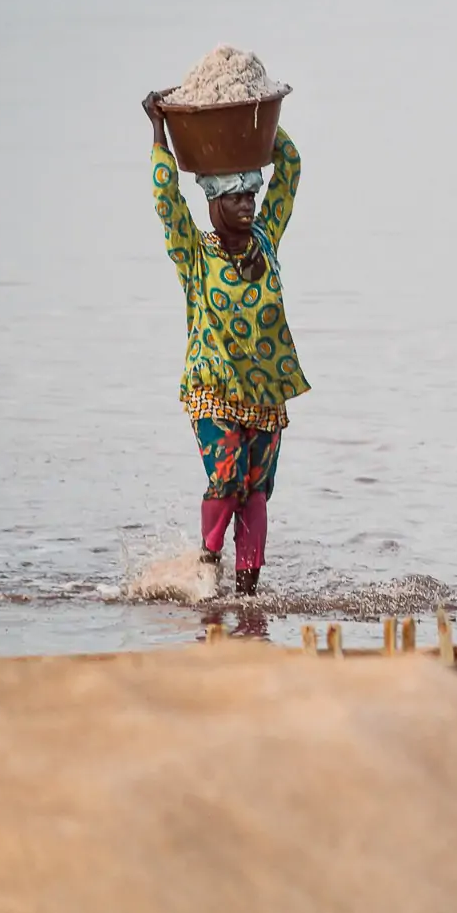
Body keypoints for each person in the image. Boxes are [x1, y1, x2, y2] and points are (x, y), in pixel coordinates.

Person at [143, 90, 309, 596]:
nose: (247, 206)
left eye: (250, 196)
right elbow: (166, 199)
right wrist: (160, 133)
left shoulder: (266, 238)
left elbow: (291, 167)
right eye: (235, 197)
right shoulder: (194, 253)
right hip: (212, 389)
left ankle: (248, 592)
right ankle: (208, 564)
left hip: (265, 395)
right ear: (213, 202)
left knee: (257, 492)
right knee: (228, 479)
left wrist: (253, 123)